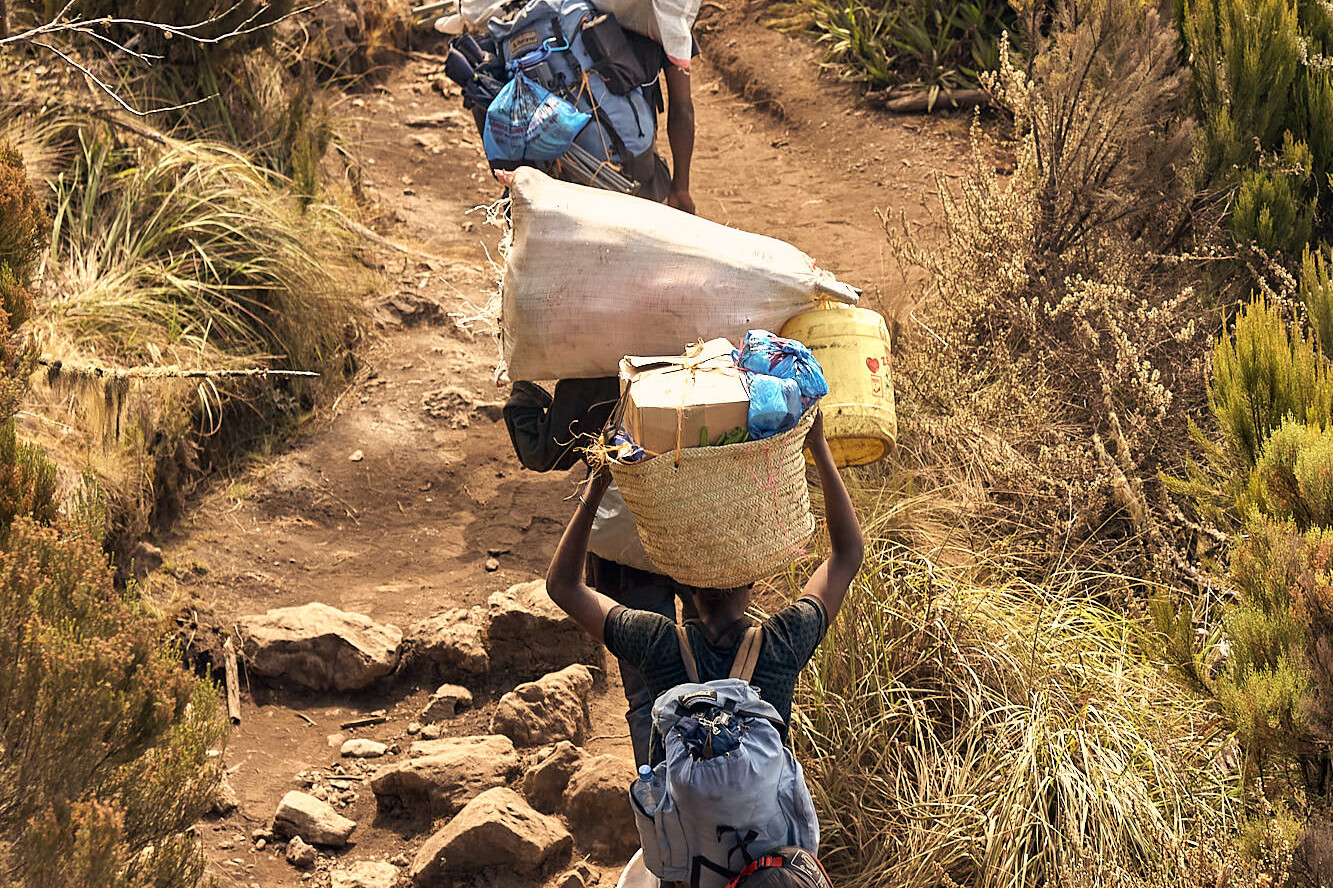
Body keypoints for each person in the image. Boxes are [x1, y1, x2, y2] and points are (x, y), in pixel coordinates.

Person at [544, 411, 865, 765]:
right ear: (751, 577)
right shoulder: (783, 644)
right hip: (758, 820)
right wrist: (818, 446)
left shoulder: (656, 643)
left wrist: (600, 481)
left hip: (682, 819)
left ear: (681, 580)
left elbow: (563, 586)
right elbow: (846, 556)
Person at [503, 377, 699, 768]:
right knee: (713, 670)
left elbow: (543, 453)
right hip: (696, 536)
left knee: (648, 692)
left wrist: (525, 393)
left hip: (623, 552)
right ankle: (713, 782)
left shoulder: (587, 382)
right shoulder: (695, 370)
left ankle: (660, 802)